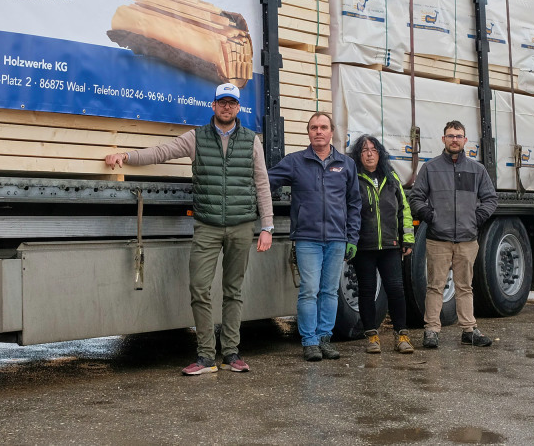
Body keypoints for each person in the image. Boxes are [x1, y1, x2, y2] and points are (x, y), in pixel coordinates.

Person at [104, 83, 274, 375]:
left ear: (238, 107)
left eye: (232, 103)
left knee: (233, 290)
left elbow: (262, 183)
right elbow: (161, 152)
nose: (226, 107)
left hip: (241, 225)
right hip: (207, 226)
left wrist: (267, 226)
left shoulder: (251, 140)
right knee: (199, 288)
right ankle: (207, 356)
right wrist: (127, 156)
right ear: (213, 105)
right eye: (222, 102)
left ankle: (231, 353)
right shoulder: (196, 138)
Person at [267, 112, 361, 361]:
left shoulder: (346, 164)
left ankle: (324, 339)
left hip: (337, 239)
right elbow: (265, 182)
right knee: (309, 290)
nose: (318, 131)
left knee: (329, 291)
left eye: (323, 127)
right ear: (308, 133)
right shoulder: (295, 162)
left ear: (332, 132)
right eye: (313, 128)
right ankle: (309, 342)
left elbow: (354, 203)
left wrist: (352, 238)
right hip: (307, 238)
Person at [409, 120, 499, 349]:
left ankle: (468, 330)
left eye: (459, 136)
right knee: (435, 286)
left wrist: (476, 219)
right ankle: (431, 331)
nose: (454, 140)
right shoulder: (430, 168)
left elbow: (490, 199)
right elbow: (416, 198)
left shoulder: (477, 170)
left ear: (465, 140)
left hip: (467, 240)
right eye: (450, 136)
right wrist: (431, 216)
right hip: (438, 238)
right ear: (443, 139)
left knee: (465, 286)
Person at [347, 134, 415, 354]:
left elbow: (404, 210)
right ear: (358, 155)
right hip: (363, 246)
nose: (369, 154)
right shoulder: (353, 178)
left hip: (390, 245)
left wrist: (407, 238)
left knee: (396, 289)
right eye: (364, 150)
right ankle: (372, 337)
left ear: (380, 154)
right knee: (366, 291)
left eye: (373, 150)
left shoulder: (391, 177)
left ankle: (402, 335)